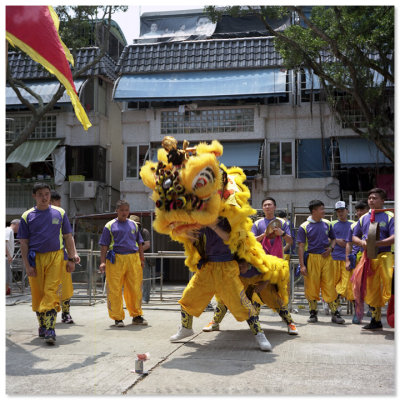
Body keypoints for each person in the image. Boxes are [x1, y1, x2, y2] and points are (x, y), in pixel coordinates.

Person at [169, 217, 273, 351]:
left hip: (227, 267)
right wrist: (181, 231)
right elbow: (194, 241)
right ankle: (186, 328)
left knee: (242, 303)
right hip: (207, 268)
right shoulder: (199, 220)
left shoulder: (228, 217)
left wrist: (214, 226)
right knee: (188, 297)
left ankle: (259, 334)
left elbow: (231, 240)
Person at [209, 197, 297, 335]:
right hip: (254, 263)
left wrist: (282, 233)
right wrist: (263, 235)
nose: (267, 207)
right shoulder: (254, 224)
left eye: (270, 204)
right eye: (265, 205)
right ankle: (215, 322)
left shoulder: (282, 223)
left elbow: (290, 241)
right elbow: (250, 241)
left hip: (272, 265)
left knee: (273, 296)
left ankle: (290, 323)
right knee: (228, 294)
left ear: (274, 207)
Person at [17, 183, 80, 343]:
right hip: (35, 259)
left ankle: (51, 329)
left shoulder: (60, 213)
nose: (44, 197)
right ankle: (43, 326)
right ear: (34, 196)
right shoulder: (27, 216)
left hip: (56, 258)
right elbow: (24, 243)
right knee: (38, 295)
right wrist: (27, 266)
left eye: (46, 194)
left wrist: (72, 258)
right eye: (40, 194)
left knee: (51, 292)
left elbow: (68, 237)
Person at [99, 200, 147, 327]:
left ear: (129, 211)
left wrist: (142, 258)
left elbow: (140, 243)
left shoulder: (134, 225)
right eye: (122, 210)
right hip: (116, 259)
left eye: (126, 210)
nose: (124, 212)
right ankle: (118, 318)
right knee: (114, 289)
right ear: (117, 211)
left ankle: (137, 315)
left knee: (135, 288)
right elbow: (104, 245)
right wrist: (102, 262)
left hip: (133, 259)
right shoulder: (109, 226)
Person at [352, 188, 394, 331]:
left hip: (386, 257)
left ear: (383, 201)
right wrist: (361, 243)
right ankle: (375, 320)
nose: (371, 200)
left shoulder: (390, 216)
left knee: (389, 287)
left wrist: (377, 243)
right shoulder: (364, 217)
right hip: (368, 257)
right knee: (371, 289)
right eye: (369, 198)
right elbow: (354, 236)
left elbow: (395, 237)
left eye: (375, 198)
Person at [297, 199, 345, 324]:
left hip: (327, 258)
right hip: (312, 258)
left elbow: (333, 239)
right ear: (314, 211)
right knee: (311, 286)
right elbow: (301, 246)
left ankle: (335, 313)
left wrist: (331, 249)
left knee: (330, 285)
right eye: (321, 209)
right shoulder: (304, 226)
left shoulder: (327, 223)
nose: (324, 211)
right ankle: (313, 313)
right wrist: (302, 265)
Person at [50, 190, 74, 323]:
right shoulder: (36, 216)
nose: (59, 204)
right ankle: (49, 315)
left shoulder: (61, 216)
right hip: (44, 258)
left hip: (61, 257)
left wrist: (72, 256)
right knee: (49, 288)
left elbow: (68, 237)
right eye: (58, 201)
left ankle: (66, 313)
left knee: (65, 287)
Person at [344, 200, 369, 324]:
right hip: (356, 259)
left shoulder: (373, 223)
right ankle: (357, 312)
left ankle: (373, 310)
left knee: (370, 285)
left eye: (362, 210)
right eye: (357, 210)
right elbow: (348, 243)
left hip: (371, 258)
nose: (359, 213)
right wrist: (347, 260)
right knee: (356, 287)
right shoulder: (353, 226)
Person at [331, 201, 355, 315]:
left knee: (346, 284)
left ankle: (336, 302)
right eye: (338, 211)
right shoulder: (332, 224)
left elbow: (357, 238)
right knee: (334, 283)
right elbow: (326, 240)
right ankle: (336, 307)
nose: (340, 213)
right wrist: (336, 240)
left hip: (348, 258)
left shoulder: (353, 224)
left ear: (347, 210)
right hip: (334, 258)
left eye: (342, 210)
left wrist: (348, 242)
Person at [129, 215, 154, 304]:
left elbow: (147, 245)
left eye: (136, 224)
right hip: (132, 258)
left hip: (144, 257)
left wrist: (135, 251)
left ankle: (145, 298)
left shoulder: (144, 232)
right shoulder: (129, 232)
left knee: (145, 278)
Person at [5, 219, 20, 295]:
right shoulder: (8, 231)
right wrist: (8, 256)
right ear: (16, 224)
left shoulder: (9, 231)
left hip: (7, 257)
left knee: (7, 276)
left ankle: (6, 290)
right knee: (6, 277)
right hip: (6, 257)